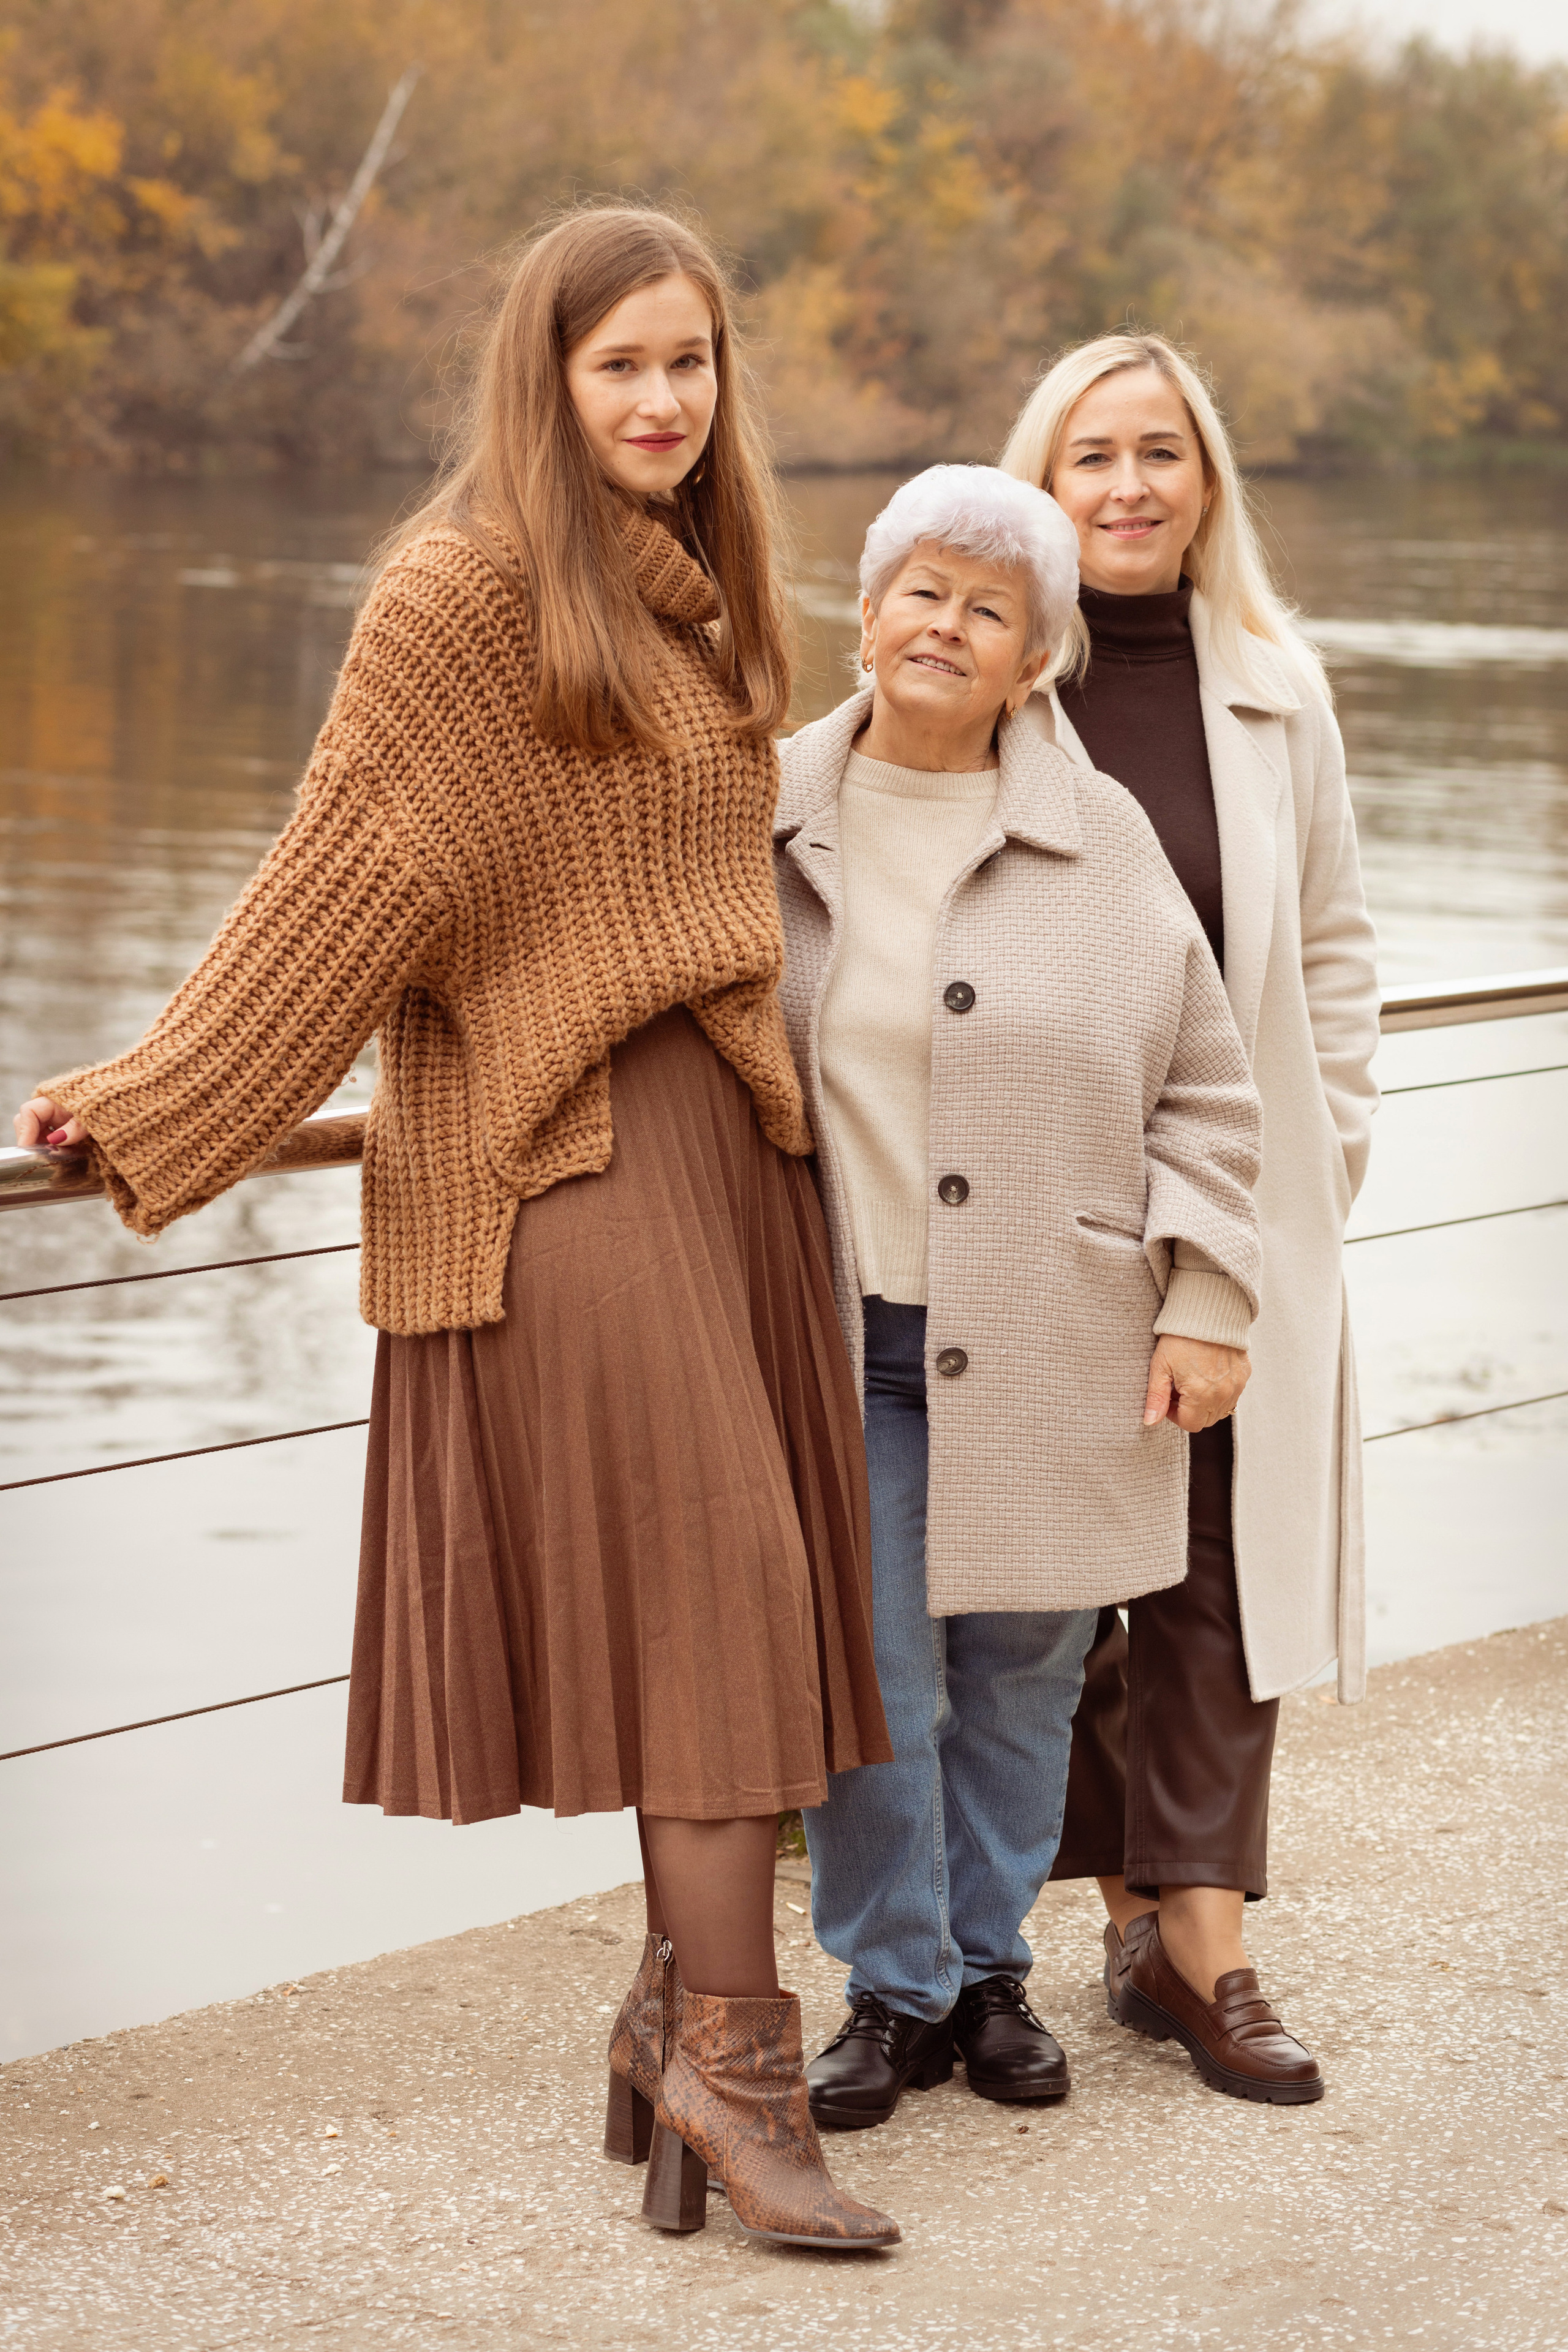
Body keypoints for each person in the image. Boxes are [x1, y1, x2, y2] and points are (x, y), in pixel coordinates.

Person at [13, 205, 900, 2250]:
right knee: (719, 1606)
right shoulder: (459, 591)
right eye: (624, 369)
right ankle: (738, 2067)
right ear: (547, 375)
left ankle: (680, 2030)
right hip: (567, 1162)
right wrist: (159, 1104)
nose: (667, 402)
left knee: (761, 1606)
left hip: (738, 1155)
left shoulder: (695, 586)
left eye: (692, 363)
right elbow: (350, 880)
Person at [772, 463, 1265, 2133]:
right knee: (875, 1682)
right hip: (844, 1337)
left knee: (1028, 1676)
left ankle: (990, 1977)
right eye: (923, 590)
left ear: (1032, 656)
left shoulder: (1098, 833)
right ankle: (890, 1991)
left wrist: (1208, 1292)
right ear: (865, 610)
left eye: (989, 610)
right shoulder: (764, 817)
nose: (947, 625)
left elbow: (1207, 1084)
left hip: (1062, 1333)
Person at [998, 333, 1381, 2104]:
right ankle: (1093, 1903)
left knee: (1224, 1564)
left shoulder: (1277, 689)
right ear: (1044, 485)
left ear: (1207, 480)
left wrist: (1325, 1168)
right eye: (1096, 457)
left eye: (1163, 452)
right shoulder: (993, 681)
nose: (1133, 485)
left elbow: (1334, 959)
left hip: (1231, 1213)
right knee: (1055, 1580)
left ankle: (1202, 1940)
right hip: (1036, 1205)